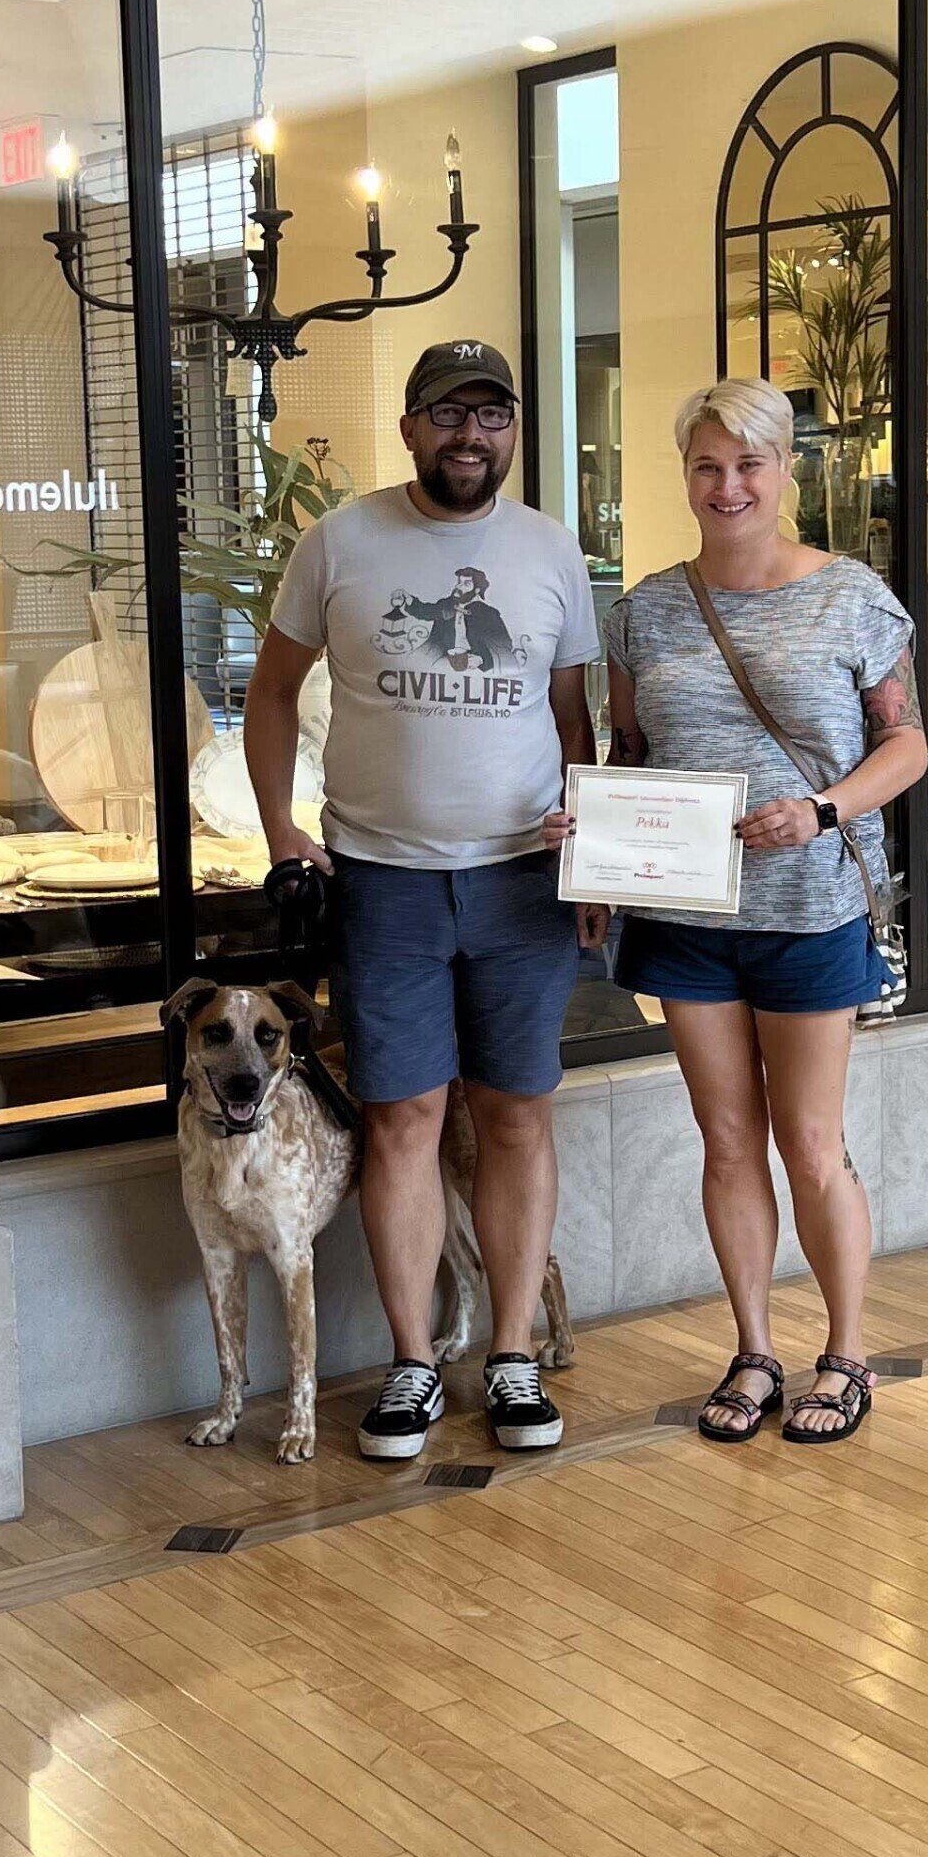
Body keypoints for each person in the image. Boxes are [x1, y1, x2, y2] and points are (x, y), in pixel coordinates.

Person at [245, 337, 603, 1460]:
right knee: (403, 1117)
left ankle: (510, 1355)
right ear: (409, 427)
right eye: (448, 413)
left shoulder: (549, 550)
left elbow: (572, 718)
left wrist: (592, 856)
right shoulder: (339, 542)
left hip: (522, 885)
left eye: (491, 415)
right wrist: (282, 829)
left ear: (511, 431)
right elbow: (271, 692)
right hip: (381, 880)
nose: (470, 434)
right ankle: (413, 1364)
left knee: (516, 1115)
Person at [556, 377, 927, 1449]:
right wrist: (598, 861)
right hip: (688, 918)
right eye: (708, 466)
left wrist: (821, 809)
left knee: (810, 1142)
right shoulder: (644, 613)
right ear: (686, 475)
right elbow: (631, 755)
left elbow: (906, 745)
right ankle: (755, 1348)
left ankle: (846, 1353)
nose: (729, 486)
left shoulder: (851, 597)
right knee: (726, 1141)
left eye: (749, 464)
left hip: (810, 909)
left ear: (784, 470)